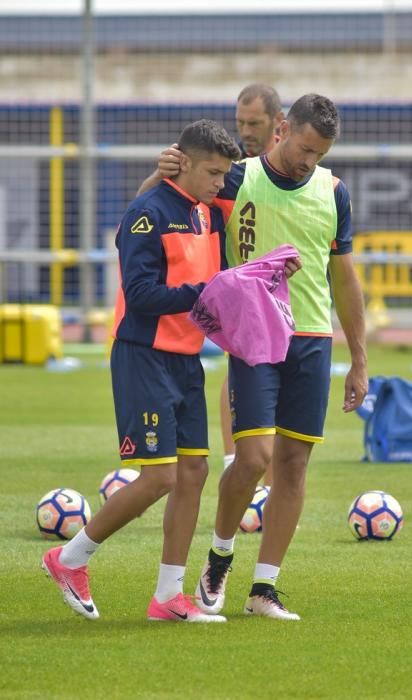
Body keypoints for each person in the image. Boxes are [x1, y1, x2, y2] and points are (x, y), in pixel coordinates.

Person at [138, 93, 368, 621]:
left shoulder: (334, 191)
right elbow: (157, 209)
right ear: (284, 128)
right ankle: (220, 554)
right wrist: (160, 176)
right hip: (255, 336)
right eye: (305, 147)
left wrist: (358, 357)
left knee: (294, 463)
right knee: (254, 457)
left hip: (312, 339)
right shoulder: (237, 178)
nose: (309, 160)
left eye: (320, 152)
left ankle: (264, 588)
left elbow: (344, 277)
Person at [41, 119, 242, 623]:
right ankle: (69, 558)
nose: (222, 183)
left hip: (186, 360)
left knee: (194, 472)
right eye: (214, 173)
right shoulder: (147, 215)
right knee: (159, 478)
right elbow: (142, 294)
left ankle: (168, 598)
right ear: (186, 164)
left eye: (225, 174)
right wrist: (208, 295)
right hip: (142, 357)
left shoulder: (207, 213)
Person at [139, 84, 284, 485]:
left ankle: (270, 482)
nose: (246, 130)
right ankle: (235, 468)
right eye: (240, 122)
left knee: (282, 390)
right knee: (241, 372)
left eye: (254, 122)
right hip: (237, 297)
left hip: (282, 293)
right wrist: (161, 173)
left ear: (279, 123)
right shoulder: (225, 174)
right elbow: (146, 210)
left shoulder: (288, 173)